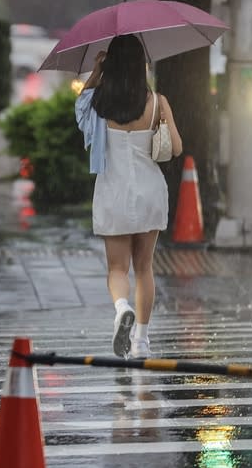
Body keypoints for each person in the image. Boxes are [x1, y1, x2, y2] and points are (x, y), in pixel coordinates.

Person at [74, 34, 182, 359]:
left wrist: (95, 72)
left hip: (112, 193)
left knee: (117, 269)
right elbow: (176, 148)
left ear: (112, 65)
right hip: (150, 192)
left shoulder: (99, 105)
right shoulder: (157, 102)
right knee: (145, 267)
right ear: (141, 64)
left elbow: (79, 110)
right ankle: (142, 340)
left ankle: (122, 308)